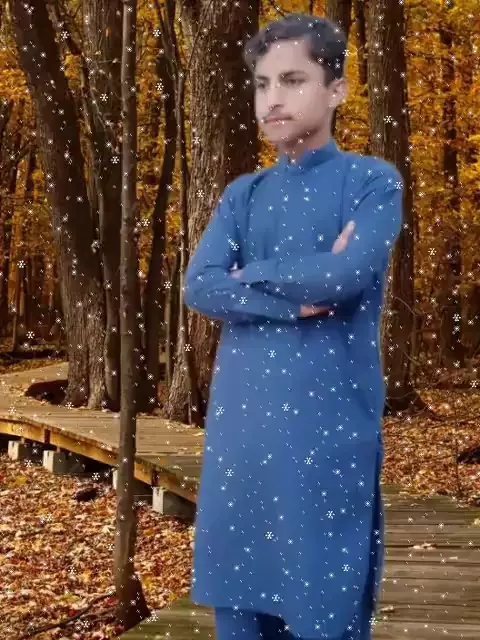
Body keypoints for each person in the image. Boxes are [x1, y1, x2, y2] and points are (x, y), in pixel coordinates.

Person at [183, 12, 404, 640]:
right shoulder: (243, 194)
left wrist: (248, 277)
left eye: (292, 80)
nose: (272, 99)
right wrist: (287, 297)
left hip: (327, 431)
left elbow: (344, 276)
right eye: (261, 83)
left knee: (323, 609)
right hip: (241, 441)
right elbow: (199, 286)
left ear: (336, 89)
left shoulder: (371, 181)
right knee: (241, 607)